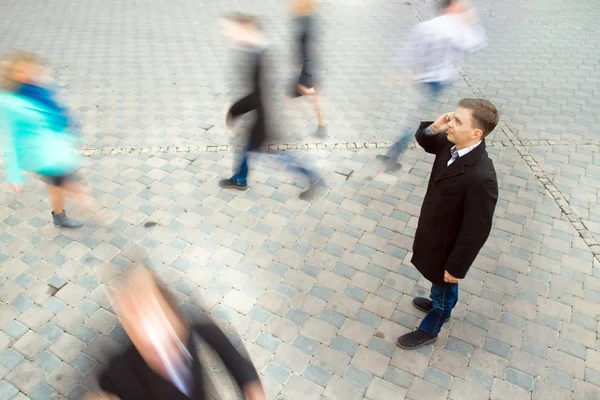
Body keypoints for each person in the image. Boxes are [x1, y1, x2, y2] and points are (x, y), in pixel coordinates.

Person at [396, 98, 499, 349]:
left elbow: (477, 230)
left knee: (445, 286)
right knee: (438, 282)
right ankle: (438, 302)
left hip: (449, 248)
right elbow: (426, 140)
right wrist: (436, 126)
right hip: (434, 235)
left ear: (476, 133)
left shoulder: (482, 177)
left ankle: (431, 328)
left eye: (457, 121)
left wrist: (457, 267)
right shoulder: (452, 143)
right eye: (452, 117)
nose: (450, 124)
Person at [84, 267, 266, 400]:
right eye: (132, 318)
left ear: (171, 309)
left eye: (152, 310)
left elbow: (232, 356)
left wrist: (250, 384)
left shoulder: (196, 330)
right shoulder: (119, 373)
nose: (146, 327)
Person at [218, 13, 322, 200]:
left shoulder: (259, 55)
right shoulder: (253, 50)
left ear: (245, 30)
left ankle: (312, 176)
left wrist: (234, 111)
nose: (226, 33)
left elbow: (258, 94)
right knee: (245, 148)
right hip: (260, 116)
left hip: (264, 119)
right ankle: (239, 179)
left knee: (276, 155)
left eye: (229, 28)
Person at [379, 0, 487, 171]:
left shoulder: (427, 27)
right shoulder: (457, 29)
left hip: (422, 79)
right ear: (451, 7)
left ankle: (395, 151)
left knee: (414, 116)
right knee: (418, 121)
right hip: (439, 82)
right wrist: (472, 21)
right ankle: (395, 154)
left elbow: (411, 51)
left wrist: (408, 73)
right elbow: (475, 44)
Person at [0, 51, 97, 228]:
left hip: (55, 147)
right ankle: (98, 216)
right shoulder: (9, 102)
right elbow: (9, 138)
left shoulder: (37, 88)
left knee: (57, 185)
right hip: (42, 154)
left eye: (29, 69)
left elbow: (55, 111)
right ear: (11, 75)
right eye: (21, 71)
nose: (27, 74)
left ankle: (60, 215)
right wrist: (14, 174)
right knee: (72, 186)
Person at [287, 0, 327, 137]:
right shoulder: (306, 18)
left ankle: (318, 126)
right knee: (310, 95)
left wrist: (306, 72)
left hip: (306, 68)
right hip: (308, 66)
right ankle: (321, 125)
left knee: (305, 94)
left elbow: (306, 49)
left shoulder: (304, 22)